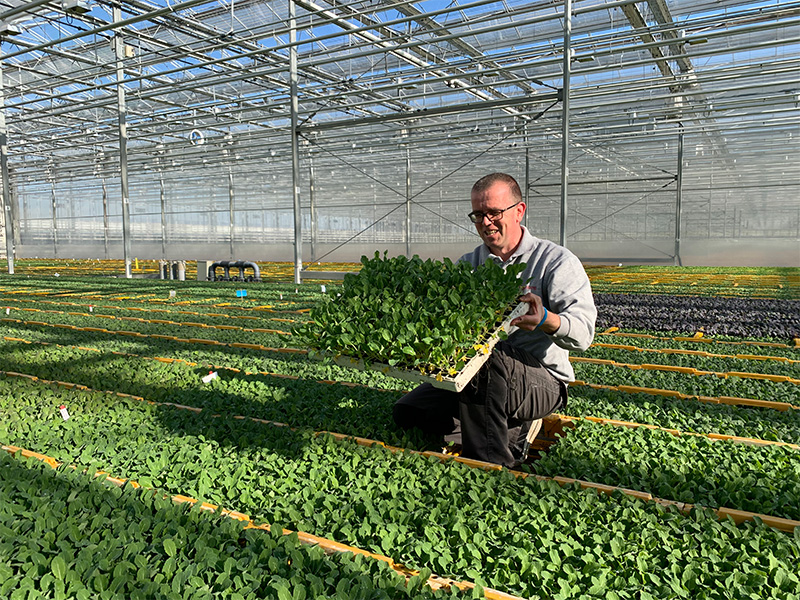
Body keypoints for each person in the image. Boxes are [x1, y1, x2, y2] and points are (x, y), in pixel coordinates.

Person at [393, 172, 597, 468]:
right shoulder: (469, 265)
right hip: (480, 378)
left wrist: (544, 320)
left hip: (542, 383)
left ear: (519, 211)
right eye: (478, 214)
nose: (485, 222)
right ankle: (497, 425)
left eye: (493, 212)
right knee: (409, 411)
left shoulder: (556, 261)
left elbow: (583, 335)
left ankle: (493, 461)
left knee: (487, 359)